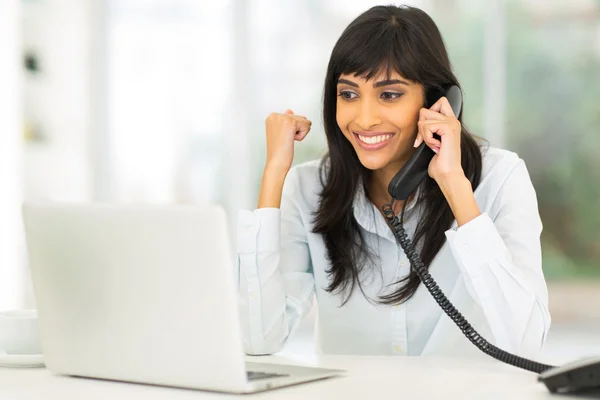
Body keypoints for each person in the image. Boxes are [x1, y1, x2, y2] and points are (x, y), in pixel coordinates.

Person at [236, 4, 550, 358]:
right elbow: (257, 340)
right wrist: (274, 173)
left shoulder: (500, 178)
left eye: (389, 94)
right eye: (349, 94)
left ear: (437, 101)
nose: (365, 119)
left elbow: (525, 343)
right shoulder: (309, 189)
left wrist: (457, 189)